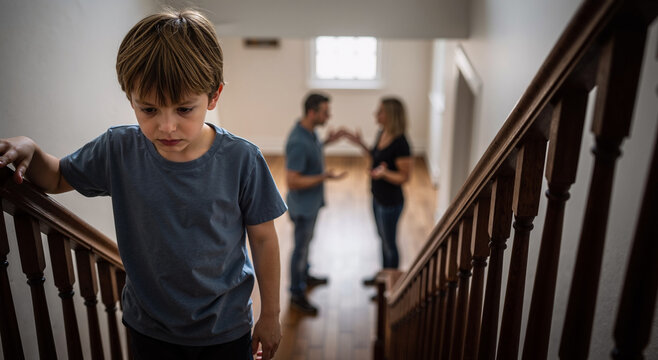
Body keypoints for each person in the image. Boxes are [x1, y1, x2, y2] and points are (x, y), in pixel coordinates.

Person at [0, 9, 286, 360]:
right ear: (130, 97)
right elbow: (58, 177)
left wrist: (270, 314)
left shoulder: (242, 159)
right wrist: (31, 149)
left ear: (213, 97)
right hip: (148, 328)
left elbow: (263, 238)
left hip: (223, 329)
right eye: (148, 110)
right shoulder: (118, 149)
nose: (166, 127)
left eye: (184, 109)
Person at [285, 93, 347, 315]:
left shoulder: (309, 133)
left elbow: (313, 152)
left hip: (310, 205)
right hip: (303, 208)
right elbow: (292, 181)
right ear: (312, 113)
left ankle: (305, 275)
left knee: (307, 244)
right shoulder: (298, 142)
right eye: (325, 112)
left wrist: (329, 141)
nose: (328, 116)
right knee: (300, 249)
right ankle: (296, 292)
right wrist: (324, 177)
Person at [343, 97, 413, 286]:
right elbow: (375, 156)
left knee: (390, 244)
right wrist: (360, 143)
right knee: (382, 239)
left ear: (391, 115)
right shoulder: (382, 133)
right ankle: (383, 279)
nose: (376, 114)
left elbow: (404, 177)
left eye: (380, 111)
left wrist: (385, 174)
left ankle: (393, 284)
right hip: (377, 198)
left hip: (391, 203)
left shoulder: (401, 143)